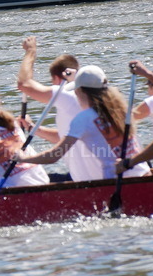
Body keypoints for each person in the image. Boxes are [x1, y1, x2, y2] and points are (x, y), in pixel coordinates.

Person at [25, 65, 149, 180]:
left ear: (78, 92)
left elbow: (54, 155)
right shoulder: (119, 109)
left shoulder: (84, 118)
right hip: (144, 173)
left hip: (118, 182)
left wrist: (22, 158)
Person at [16, 36, 94, 181]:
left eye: (52, 81)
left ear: (58, 79)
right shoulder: (89, 95)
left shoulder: (67, 95)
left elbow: (24, 84)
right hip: (87, 176)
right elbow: (65, 138)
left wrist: (31, 51)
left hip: (92, 180)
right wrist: (35, 129)